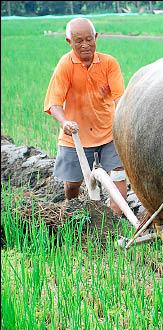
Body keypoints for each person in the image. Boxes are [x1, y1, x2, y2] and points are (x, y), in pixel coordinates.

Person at [43, 17, 127, 216]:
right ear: (69, 41)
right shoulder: (65, 65)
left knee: (118, 177)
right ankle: (74, 212)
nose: (85, 45)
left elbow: (119, 99)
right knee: (73, 185)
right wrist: (64, 123)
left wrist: (122, 122)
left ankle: (111, 223)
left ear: (96, 37)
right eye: (78, 40)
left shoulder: (109, 64)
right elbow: (54, 103)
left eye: (89, 39)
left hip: (108, 132)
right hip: (75, 136)